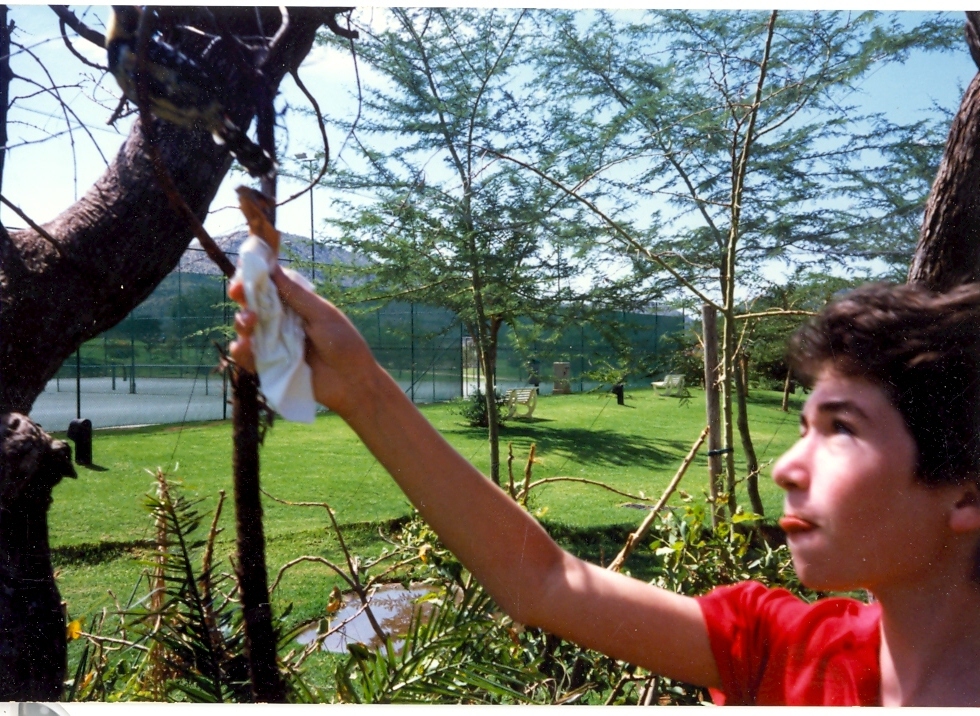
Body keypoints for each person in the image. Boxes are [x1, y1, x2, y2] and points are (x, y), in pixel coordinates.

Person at [229, 271, 980, 706]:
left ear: (966, 492)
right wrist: (360, 390)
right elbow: (546, 580)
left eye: (842, 428)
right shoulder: (784, 653)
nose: (787, 466)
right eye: (804, 426)